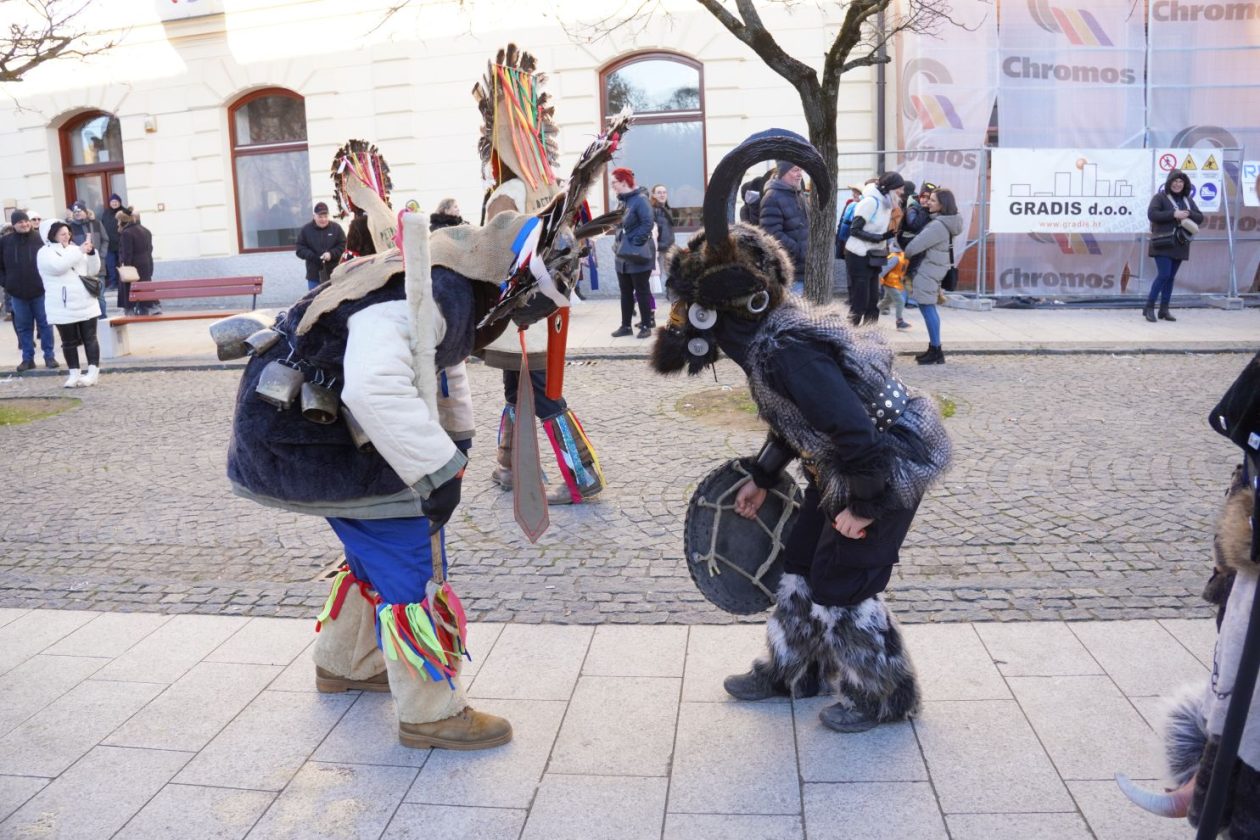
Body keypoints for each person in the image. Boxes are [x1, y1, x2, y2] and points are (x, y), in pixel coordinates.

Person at [651, 129, 950, 733]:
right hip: (840, 464)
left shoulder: (788, 349)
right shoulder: (766, 346)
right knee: (801, 560)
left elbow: (851, 428)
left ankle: (884, 696)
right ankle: (796, 671)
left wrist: (864, 506)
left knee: (843, 578)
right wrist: (763, 475)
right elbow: (798, 423)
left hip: (885, 465)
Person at [38, 220, 102, 387]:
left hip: (85, 301)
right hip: (62, 305)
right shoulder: (44, 253)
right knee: (68, 341)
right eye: (62, 234)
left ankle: (93, 372)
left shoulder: (75, 249)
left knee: (90, 338)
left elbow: (93, 270)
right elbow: (58, 266)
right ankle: (74, 374)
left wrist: (92, 253)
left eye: (68, 233)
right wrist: (80, 251)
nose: (67, 237)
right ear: (52, 235)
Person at [904, 188, 963, 365]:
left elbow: (912, 248)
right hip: (935, 269)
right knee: (928, 307)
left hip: (927, 271)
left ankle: (936, 350)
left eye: (932, 200)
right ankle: (934, 348)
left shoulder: (937, 226)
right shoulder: (947, 222)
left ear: (942, 205)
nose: (928, 202)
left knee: (928, 307)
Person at [844, 172, 905, 325]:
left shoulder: (886, 202)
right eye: (899, 188)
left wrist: (887, 236)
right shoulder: (871, 202)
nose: (901, 192)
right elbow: (855, 230)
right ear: (890, 188)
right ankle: (850, 336)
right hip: (858, 255)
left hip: (874, 255)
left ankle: (870, 337)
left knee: (873, 301)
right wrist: (881, 237)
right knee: (860, 301)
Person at [0, 210, 58, 371]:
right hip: (17, 293)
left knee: (45, 325)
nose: (25, 224)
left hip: (40, 291)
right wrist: (6, 283)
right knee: (23, 327)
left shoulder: (41, 238)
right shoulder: (5, 241)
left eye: (26, 221)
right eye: (20, 222)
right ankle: (27, 359)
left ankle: (49, 356)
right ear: (14, 225)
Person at [1145, 168, 1203, 323]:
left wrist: (1189, 213)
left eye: (1180, 181)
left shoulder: (1187, 200)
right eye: (1175, 181)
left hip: (1180, 244)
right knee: (1163, 275)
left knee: (1170, 278)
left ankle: (1164, 309)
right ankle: (1149, 307)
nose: (1178, 184)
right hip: (1163, 242)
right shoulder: (1160, 197)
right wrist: (1173, 214)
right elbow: (1152, 214)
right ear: (1169, 182)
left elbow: (1200, 217)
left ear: (1184, 184)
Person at [610, 167, 656, 339]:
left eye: (614, 182)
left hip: (637, 256)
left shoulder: (641, 200)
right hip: (622, 256)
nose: (612, 186)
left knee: (641, 291)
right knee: (625, 291)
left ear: (623, 182)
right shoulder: (622, 201)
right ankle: (626, 326)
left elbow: (647, 224)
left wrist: (633, 243)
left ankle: (646, 325)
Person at [759, 160, 810, 293]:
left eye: (800, 170)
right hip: (790, 271)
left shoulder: (798, 194)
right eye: (795, 170)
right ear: (782, 173)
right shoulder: (772, 198)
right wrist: (799, 251)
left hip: (804, 269)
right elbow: (771, 234)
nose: (799, 174)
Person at [66, 200, 108, 318]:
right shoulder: (69, 227)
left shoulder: (97, 224)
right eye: (75, 212)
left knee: (100, 295)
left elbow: (105, 240)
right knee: (85, 296)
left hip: (98, 265)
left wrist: (102, 255)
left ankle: (103, 318)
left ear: (85, 211)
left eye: (80, 211)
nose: (77, 213)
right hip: (81, 267)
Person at [295, 201, 346, 291]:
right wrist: (312, 256)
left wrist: (331, 254)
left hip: (334, 274)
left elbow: (343, 245)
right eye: (320, 217)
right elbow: (299, 249)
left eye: (325, 216)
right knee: (314, 301)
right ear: (314, 216)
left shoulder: (336, 228)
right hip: (314, 275)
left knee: (334, 301)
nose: (323, 219)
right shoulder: (306, 230)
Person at [117, 209, 155, 316]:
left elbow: (127, 253)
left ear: (122, 221)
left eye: (118, 221)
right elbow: (150, 250)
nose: (117, 224)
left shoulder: (126, 233)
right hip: (146, 265)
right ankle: (144, 312)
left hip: (133, 268)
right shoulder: (146, 230)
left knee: (129, 292)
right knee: (144, 293)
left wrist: (125, 268)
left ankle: (130, 313)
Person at [650, 183, 676, 281]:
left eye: (664, 192)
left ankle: (667, 295)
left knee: (669, 275)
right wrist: (656, 247)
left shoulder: (667, 210)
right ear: (653, 195)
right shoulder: (653, 210)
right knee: (658, 276)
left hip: (669, 248)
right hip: (659, 249)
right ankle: (657, 296)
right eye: (659, 193)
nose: (662, 195)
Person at [102, 194, 125, 291]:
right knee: (111, 265)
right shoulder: (106, 213)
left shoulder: (124, 212)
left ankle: (123, 284)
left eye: (116, 201)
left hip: (121, 244)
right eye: (112, 202)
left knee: (122, 265)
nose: (114, 203)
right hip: (109, 244)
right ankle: (113, 283)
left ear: (120, 202)